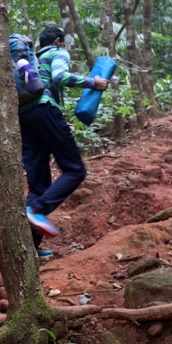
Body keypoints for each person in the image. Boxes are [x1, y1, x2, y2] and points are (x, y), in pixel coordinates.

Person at [19, 26, 109, 257]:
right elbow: (59, 76)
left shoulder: (32, 60)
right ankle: (38, 210)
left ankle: (30, 248)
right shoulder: (56, 53)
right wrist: (93, 83)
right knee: (75, 170)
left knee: (38, 184)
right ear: (58, 41)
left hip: (24, 117)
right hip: (44, 111)